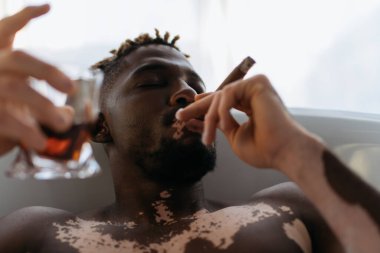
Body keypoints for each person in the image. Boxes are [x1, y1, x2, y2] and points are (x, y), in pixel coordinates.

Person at [0, 5, 379, 253]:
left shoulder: (289, 210)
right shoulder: (39, 234)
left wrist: (293, 150)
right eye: (151, 83)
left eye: (197, 86)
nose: (186, 93)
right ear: (99, 125)